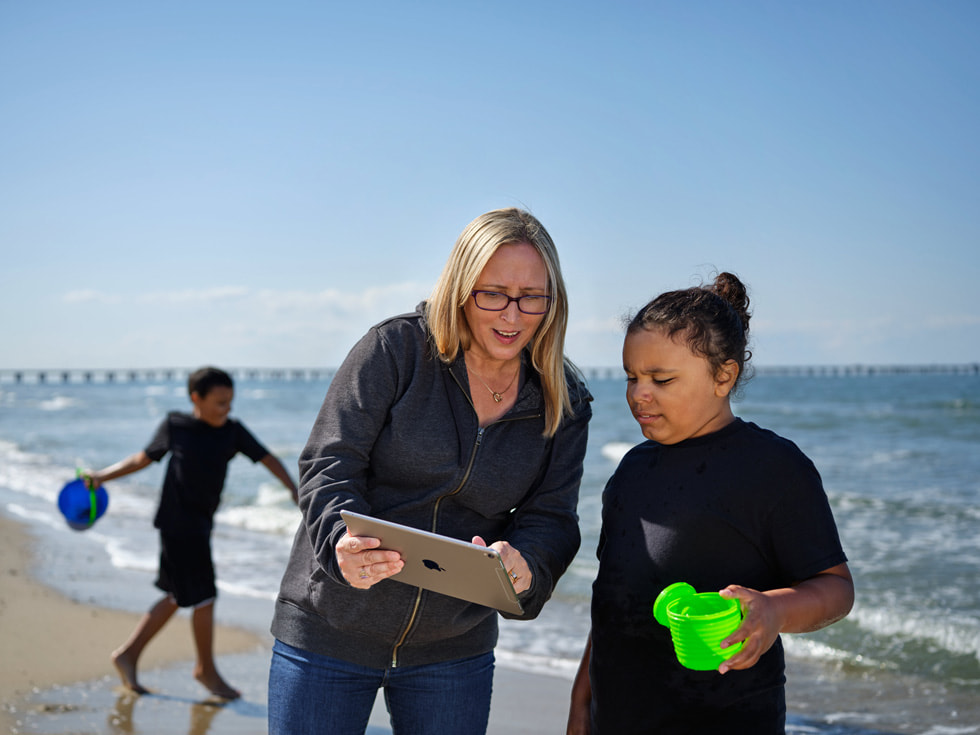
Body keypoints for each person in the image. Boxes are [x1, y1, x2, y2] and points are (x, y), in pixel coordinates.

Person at [268, 207, 593, 734]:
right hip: (332, 626)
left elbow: (552, 517)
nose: (513, 316)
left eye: (532, 297)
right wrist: (339, 543)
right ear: (460, 288)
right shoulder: (394, 350)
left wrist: (527, 566)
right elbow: (330, 463)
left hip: (453, 651)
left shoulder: (565, 399)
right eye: (494, 294)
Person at [567, 273, 854, 735]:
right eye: (632, 377)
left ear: (723, 376)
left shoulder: (773, 468)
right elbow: (614, 600)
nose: (639, 394)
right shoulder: (631, 471)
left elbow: (836, 589)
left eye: (661, 379)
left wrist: (774, 611)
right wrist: (581, 703)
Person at [85, 366, 299, 699]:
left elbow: (267, 458)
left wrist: (292, 488)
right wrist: (101, 477)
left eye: (230, 401)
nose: (227, 409)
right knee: (204, 596)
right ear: (195, 398)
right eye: (220, 402)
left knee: (177, 595)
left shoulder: (232, 431)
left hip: (200, 523)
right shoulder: (176, 425)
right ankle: (205, 670)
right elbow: (142, 459)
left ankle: (128, 654)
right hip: (177, 523)